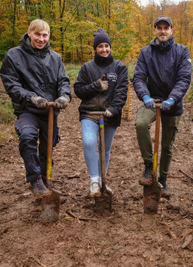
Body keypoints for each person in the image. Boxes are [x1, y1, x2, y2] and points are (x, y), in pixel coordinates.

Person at [0, 19, 71, 196]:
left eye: (44, 35)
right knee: (27, 137)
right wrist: (31, 97)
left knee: (48, 146)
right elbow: (12, 85)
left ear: (49, 36)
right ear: (29, 33)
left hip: (50, 111)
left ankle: (46, 177)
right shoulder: (14, 56)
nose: (41, 39)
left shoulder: (55, 58)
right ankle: (35, 179)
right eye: (37, 34)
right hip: (27, 109)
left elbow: (63, 80)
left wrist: (64, 95)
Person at [133, 16, 192, 196]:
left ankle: (163, 179)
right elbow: (139, 77)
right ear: (155, 30)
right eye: (159, 28)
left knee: (167, 144)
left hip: (172, 103)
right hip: (151, 100)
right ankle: (149, 165)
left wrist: (173, 98)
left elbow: (184, 79)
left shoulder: (182, 51)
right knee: (141, 124)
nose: (162, 31)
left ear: (171, 30)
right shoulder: (146, 52)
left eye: (166, 28)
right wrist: (144, 95)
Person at [74, 28, 128, 197]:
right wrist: (96, 86)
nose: (104, 49)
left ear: (110, 47)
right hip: (89, 113)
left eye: (106, 46)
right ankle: (94, 180)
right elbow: (78, 90)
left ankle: (103, 180)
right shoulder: (87, 68)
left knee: (105, 149)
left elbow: (122, 92)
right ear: (95, 49)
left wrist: (113, 109)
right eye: (100, 46)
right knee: (89, 143)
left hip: (109, 114)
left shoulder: (120, 67)